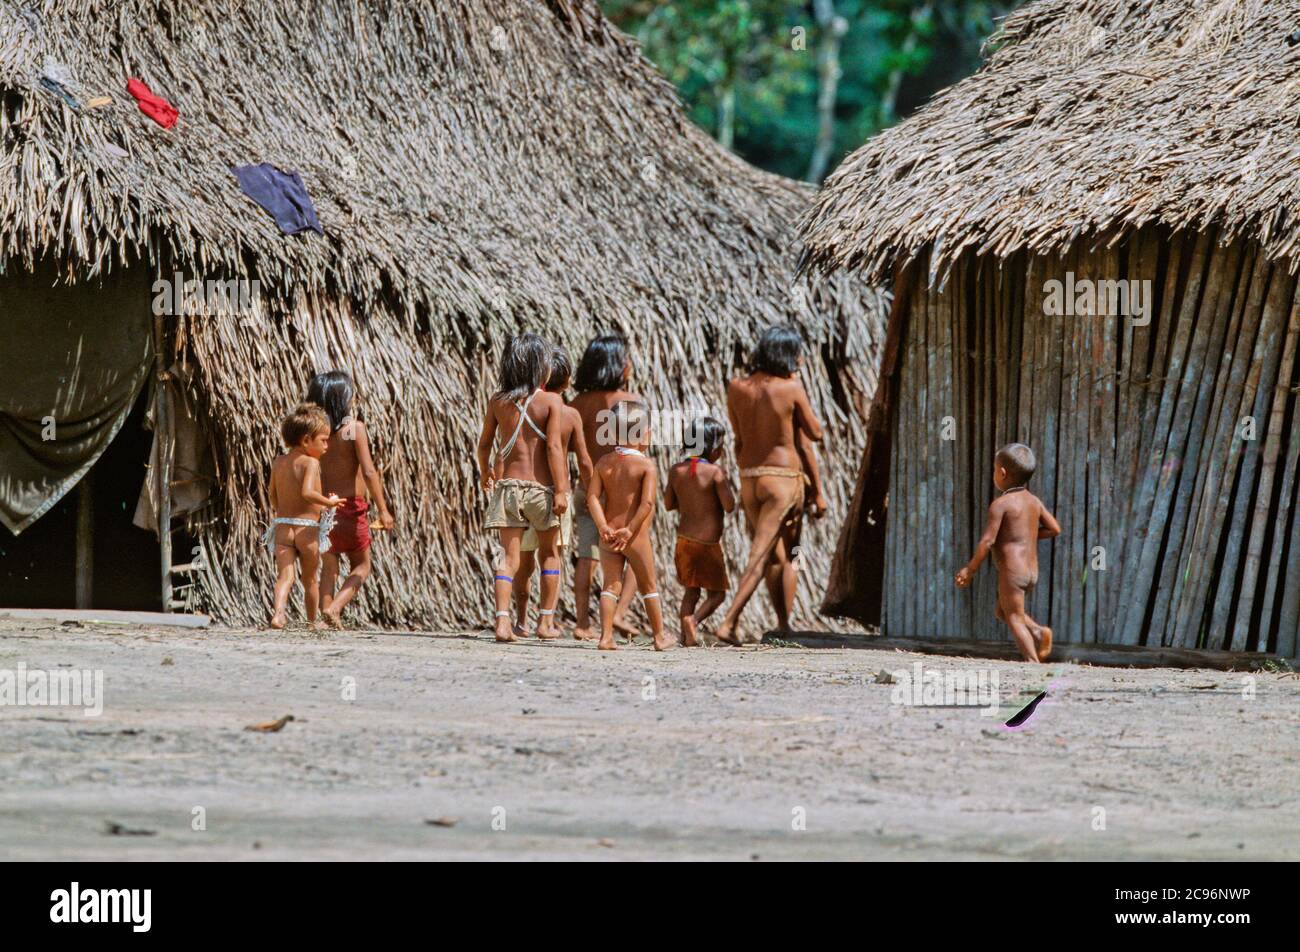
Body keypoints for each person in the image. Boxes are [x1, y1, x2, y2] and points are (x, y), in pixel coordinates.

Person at [714, 324, 825, 645]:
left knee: (777, 554)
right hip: (783, 480)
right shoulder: (791, 389)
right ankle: (729, 622)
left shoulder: (737, 386)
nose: (801, 360)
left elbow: (738, 437)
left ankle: (783, 624)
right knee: (767, 554)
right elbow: (815, 434)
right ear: (787, 355)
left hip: (750, 478)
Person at [476, 333, 570, 643]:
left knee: (510, 558)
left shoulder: (498, 402)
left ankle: (503, 623)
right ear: (540, 368)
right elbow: (555, 448)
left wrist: (485, 470)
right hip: (541, 489)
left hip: (508, 489)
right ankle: (545, 622)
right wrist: (560, 490)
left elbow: (485, 444)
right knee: (550, 554)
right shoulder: (551, 402)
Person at [509, 348, 592, 639]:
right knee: (551, 555)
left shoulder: (523, 405)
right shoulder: (568, 414)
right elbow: (582, 460)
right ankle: (546, 621)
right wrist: (592, 490)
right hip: (554, 493)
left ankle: (520, 620)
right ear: (567, 381)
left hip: (521, 490)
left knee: (523, 558)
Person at [304, 370, 395, 629]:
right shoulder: (354, 430)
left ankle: (322, 619)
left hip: (325, 508)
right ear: (343, 399)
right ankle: (334, 609)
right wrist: (383, 510)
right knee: (362, 566)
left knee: (329, 567)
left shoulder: (316, 437)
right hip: (353, 508)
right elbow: (368, 471)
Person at [955, 443, 1060, 662]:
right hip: (1031, 571)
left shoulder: (1000, 504)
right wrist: (1027, 535)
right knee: (1002, 611)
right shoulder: (1034, 501)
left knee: (1013, 617)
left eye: (994, 469)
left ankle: (1033, 662)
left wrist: (970, 569)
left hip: (1013, 572)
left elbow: (987, 540)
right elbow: (1054, 529)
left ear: (1001, 473)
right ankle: (1040, 633)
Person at [586, 401, 674, 652]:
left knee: (610, 585)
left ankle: (605, 637)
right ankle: (659, 636)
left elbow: (592, 497)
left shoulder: (604, 463)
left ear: (613, 433)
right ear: (646, 434)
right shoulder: (647, 465)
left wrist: (603, 525)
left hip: (609, 533)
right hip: (635, 536)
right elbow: (646, 503)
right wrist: (630, 528)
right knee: (649, 587)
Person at [570, 334, 642, 640]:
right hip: (621, 495)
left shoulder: (577, 404)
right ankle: (620, 614)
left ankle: (583, 623)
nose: (629, 364)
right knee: (637, 557)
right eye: (625, 358)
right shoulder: (630, 403)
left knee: (587, 557)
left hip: (587, 490)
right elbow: (639, 452)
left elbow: (569, 450)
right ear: (617, 366)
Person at [265, 404, 343, 629]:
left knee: (285, 577)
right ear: (306, 440)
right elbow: (308, 492)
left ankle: (279, 615)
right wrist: (330, 502)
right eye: (324, 440)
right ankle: (312, 622)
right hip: (307, 529)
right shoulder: (311, 462)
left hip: (283, 527)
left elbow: (272, 495)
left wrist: (283, 511)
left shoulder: (279, 462)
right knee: (310, 579)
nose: (327, 445)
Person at [664, 417, 734, 647]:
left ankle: (686, 637)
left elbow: (668, 504)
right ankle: (693, 622)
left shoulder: (676, 471)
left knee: (691, 592)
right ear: (713, 447)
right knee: (718, 595)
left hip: (683, 542)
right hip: (708, 546)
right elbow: (729, 506)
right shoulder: (715, 473)